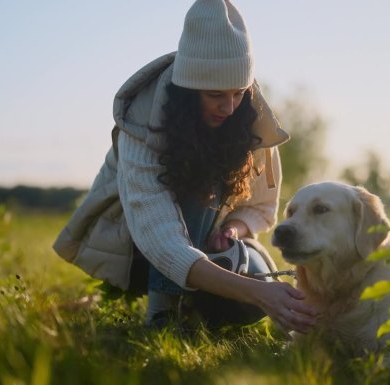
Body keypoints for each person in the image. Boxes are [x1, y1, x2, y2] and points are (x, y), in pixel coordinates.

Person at [53, 0, 317, 333]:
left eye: (239, 92)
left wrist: (233, 228)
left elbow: (262, 208)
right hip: (140, 253)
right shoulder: (142, 124)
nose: (230, 107)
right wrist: (259, 292)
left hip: (210, 252)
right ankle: (163, 315)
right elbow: (161, 241)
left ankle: (197, 308)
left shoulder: (249, 119)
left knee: (246, 308)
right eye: (215, 95)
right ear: (188, 90)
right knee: (250, 289)